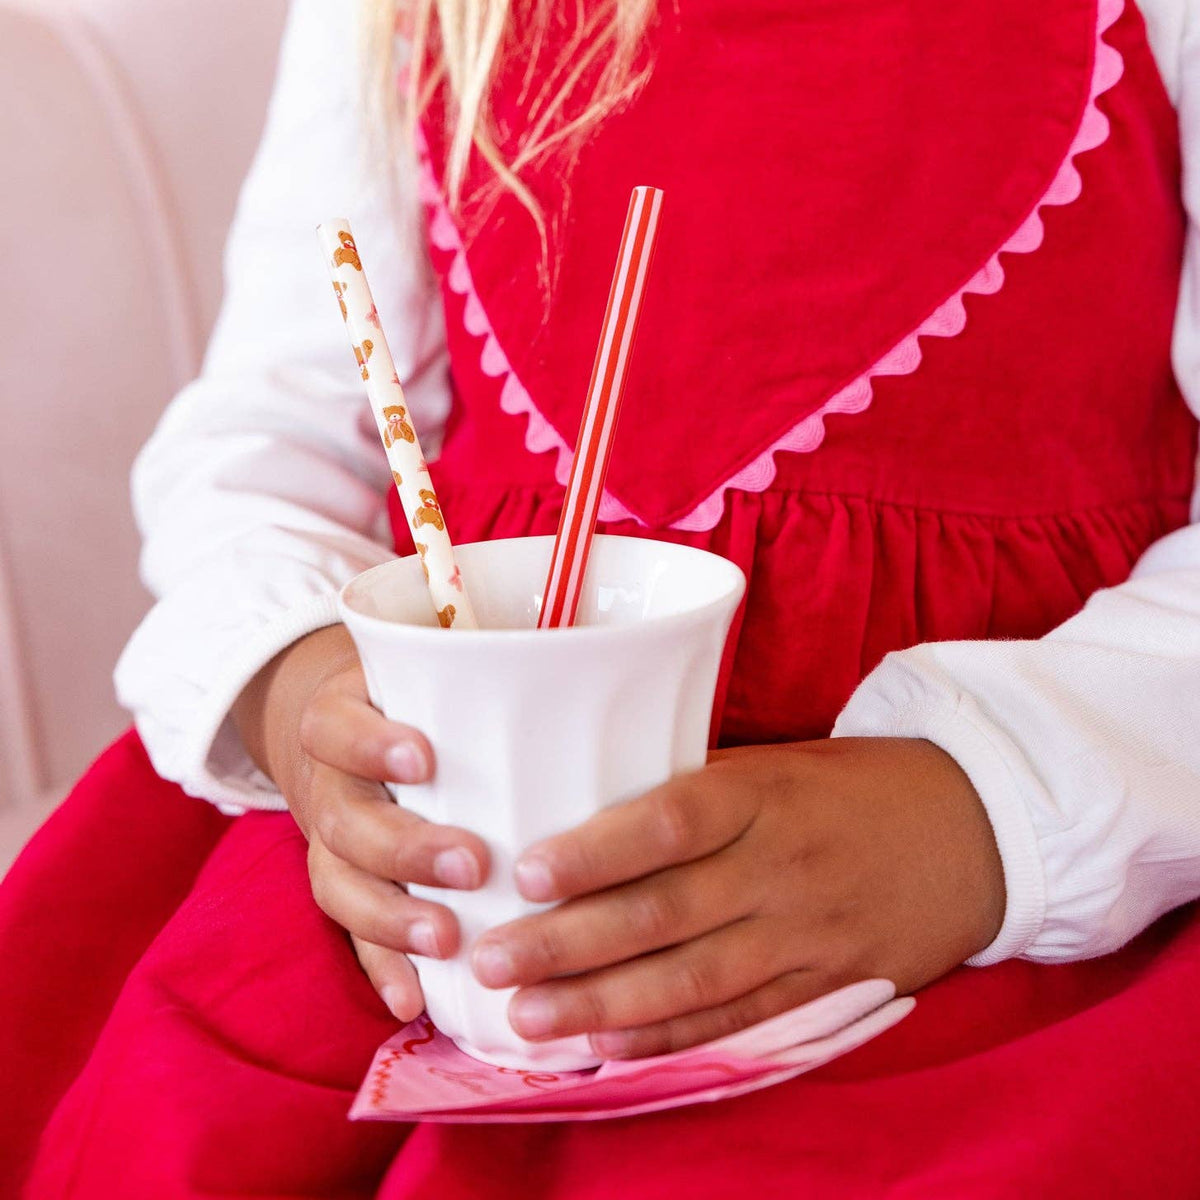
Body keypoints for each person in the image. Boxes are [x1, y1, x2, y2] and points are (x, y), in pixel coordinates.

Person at [4, 0, 1200, 1194]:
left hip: (1048, 850)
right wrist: (303, 693)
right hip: (446, 852)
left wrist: (974, 818)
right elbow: (268, 442)